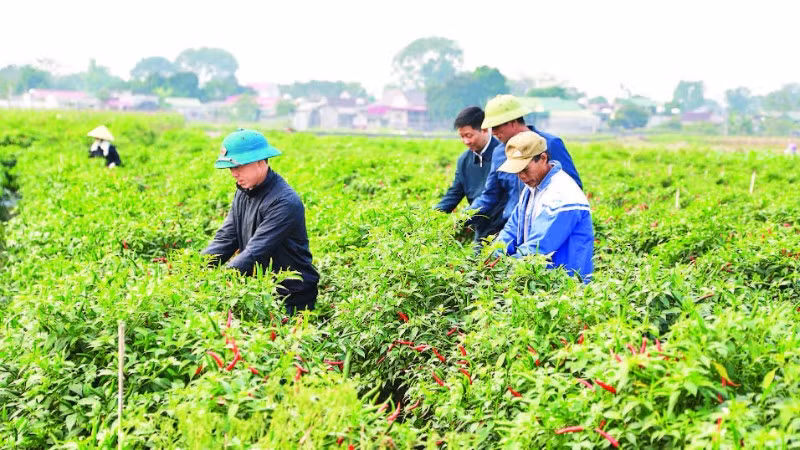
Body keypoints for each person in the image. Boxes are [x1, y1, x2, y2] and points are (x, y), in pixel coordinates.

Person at [202, 129, 319, 315]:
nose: (234, 174)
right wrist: (195, 270)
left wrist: (218, 281)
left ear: (260, 161)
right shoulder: (243, 191)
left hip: (290, 297)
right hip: (261, 292)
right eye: (231, 168)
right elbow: (226, 238)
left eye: (239, 167)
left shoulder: (284, 202)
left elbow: (255, 251)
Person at [468, 95, 582, 231]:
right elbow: (490, 195)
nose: (494, 133)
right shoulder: (499, 152)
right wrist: (460, 219)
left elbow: (573, 187)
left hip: (544, 225)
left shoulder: (549, 144)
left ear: (512, 122)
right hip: (512, 227)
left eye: (496, 127)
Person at [493, 131, 593, 281]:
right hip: (543, 280)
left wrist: (505, 268)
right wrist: (493, 254)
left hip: (567, 284)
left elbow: (539, 246)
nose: (521, 176)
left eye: (525, 169)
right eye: (517, 171)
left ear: (543, 158)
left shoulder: (562, 193)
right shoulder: (532, 189)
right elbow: (512, 229)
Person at [434, 107, 505, 242]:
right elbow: (454, 193)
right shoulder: (464, 161)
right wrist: (432, 216)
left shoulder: (503, 154)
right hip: (480, 226)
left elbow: (495, 196)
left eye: (469, 135)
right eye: (462, 136)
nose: (466, 141)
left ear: (484, 130)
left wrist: (463, 218)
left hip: (504, 227)